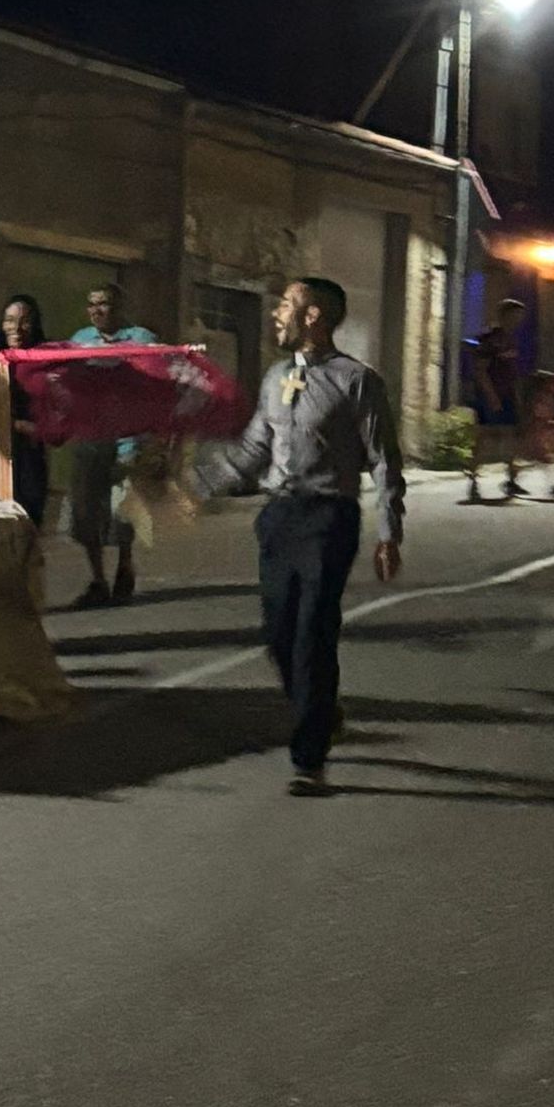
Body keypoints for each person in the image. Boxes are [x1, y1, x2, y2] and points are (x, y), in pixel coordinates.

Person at [195, 277, 404, 794]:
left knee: (314, 633)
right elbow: (252, 450)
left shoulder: (357, 381)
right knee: (279, 634)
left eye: (286, 305)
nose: (276, 315)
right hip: (279, 517)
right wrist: (198, 484)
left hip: (329, 519)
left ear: (314, 316)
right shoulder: (274, 378)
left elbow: (383, 459)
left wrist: (389, 531)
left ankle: (309, 758)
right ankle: (321, 707)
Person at [66, 282, 156, 607]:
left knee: (122, 511)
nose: (96, 310)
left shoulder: (142, 340)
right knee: (87, 511)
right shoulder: (79, 342)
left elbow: (156, 382)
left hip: (127, 439)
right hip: (90, 438)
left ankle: (125, 566)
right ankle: (98, 579)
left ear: (118, 307)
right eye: (91, 304)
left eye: (103, 304)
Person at [0, 294, 49, 527]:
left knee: (28, 521)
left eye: (25, 321)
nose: (17, 328)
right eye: (10, 320)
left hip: (29, 454)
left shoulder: (47, 360)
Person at [466, 296, 527, 502]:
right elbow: (480, 370)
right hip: (490, 396)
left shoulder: (511, 338)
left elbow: (511, 370)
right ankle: (473, 482)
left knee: (510, 436)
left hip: (507, 394)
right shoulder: (490, 338)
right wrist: (491, 397)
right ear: (505, 315)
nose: (519, 319)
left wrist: (515, 395)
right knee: (484, 438)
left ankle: (510, 481)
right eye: (515, 315)